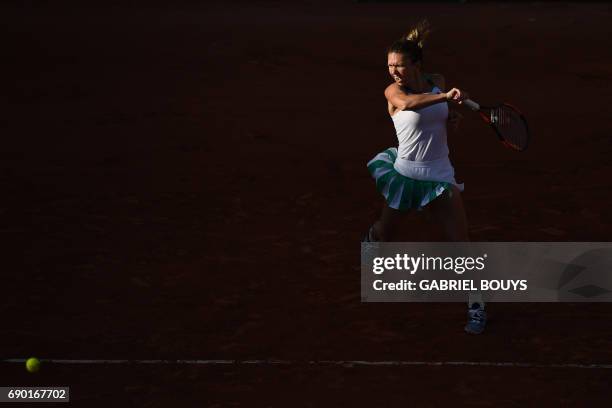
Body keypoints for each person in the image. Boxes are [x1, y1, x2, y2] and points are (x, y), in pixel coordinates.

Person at [362, 20, 486, 334]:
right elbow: (408, 104)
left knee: (461, 243)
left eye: (399, 66)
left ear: (416, 64)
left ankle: (476, 306)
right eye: (389, 65)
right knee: (384, 232)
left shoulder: (437, 82)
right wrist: (445, 98)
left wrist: (451, 116)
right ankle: (372, 240)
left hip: (439, 174)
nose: (393, 71)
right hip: (405, 174)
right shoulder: (394, 92)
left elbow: (436, 118)